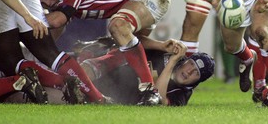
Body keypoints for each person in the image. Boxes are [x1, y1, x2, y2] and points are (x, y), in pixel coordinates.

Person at [28, 0, 171, 105]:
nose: (48, 3)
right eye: (42, 4)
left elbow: (57, 20)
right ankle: (107, 87)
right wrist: (36, 58)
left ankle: (150, 91)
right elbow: (52, 32)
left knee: (118, 27)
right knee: (124, 44)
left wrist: (25, 19)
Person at [74, 36, 215, 106]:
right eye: (190, 64)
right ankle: (91, 49)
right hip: (106, 65)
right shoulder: (170, 52)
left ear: (197, 82)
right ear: (186, 60)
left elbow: (158, 98)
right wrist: (160, 45)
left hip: (107, 92)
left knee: (62, 93)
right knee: (68, 70)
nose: (189, 71)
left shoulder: (181, 95)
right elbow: (133, 40)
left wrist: (171, 63)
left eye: (196, 73)